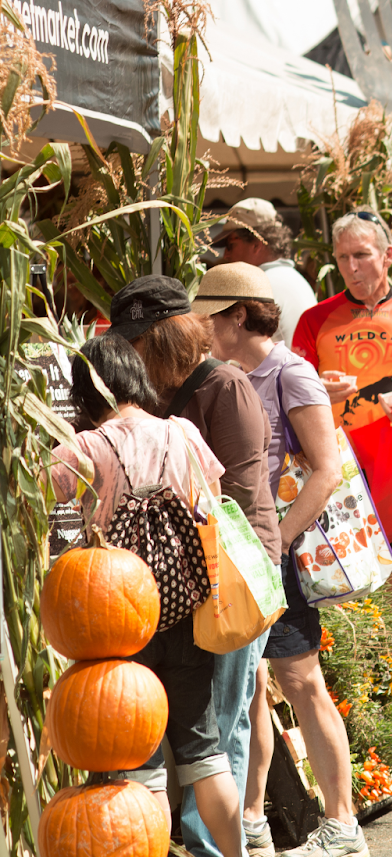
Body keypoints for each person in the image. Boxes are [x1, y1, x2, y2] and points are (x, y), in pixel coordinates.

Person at [192, 264, 367, 857]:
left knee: (302, 680)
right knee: (252, 687)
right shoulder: (224, 374)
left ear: (237, 316)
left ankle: (343, 826)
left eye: (208, 317)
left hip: (272, 552)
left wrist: (277, 545)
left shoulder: (291, 372)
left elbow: (326, 467)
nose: (201, 328)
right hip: (236, 553)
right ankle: (250, 820)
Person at [48, 336, 245, 857]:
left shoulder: (87, 446)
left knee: (142, 766)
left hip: (115, 624)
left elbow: (37, 490)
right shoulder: (180, 431)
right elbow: (215, 502)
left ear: (87, 389)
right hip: (183, 611)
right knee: (206, 754)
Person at [112, 276, 276, 857]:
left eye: (137, 341)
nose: (129, 352)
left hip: (227, 578)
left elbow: (237, 494)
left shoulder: (223, 386)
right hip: (182, 582)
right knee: (200, 731)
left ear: (164, 338)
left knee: (220, 729)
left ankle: (213, 850)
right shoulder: (158, 394)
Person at [291, 211, 392, 663]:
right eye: (343, 258)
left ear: (389, 256)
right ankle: (356, 696)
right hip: (336, 474)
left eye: (362, 255)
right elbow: (288, 394)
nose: (352, 267)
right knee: (340, 589)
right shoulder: (314, 320)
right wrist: (318, 390)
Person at [213, 198, 318, 344]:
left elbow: (237, 351)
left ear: (256, 245)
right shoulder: (296, 279)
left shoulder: (260, 286)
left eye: (230, 245)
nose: (226, 255)